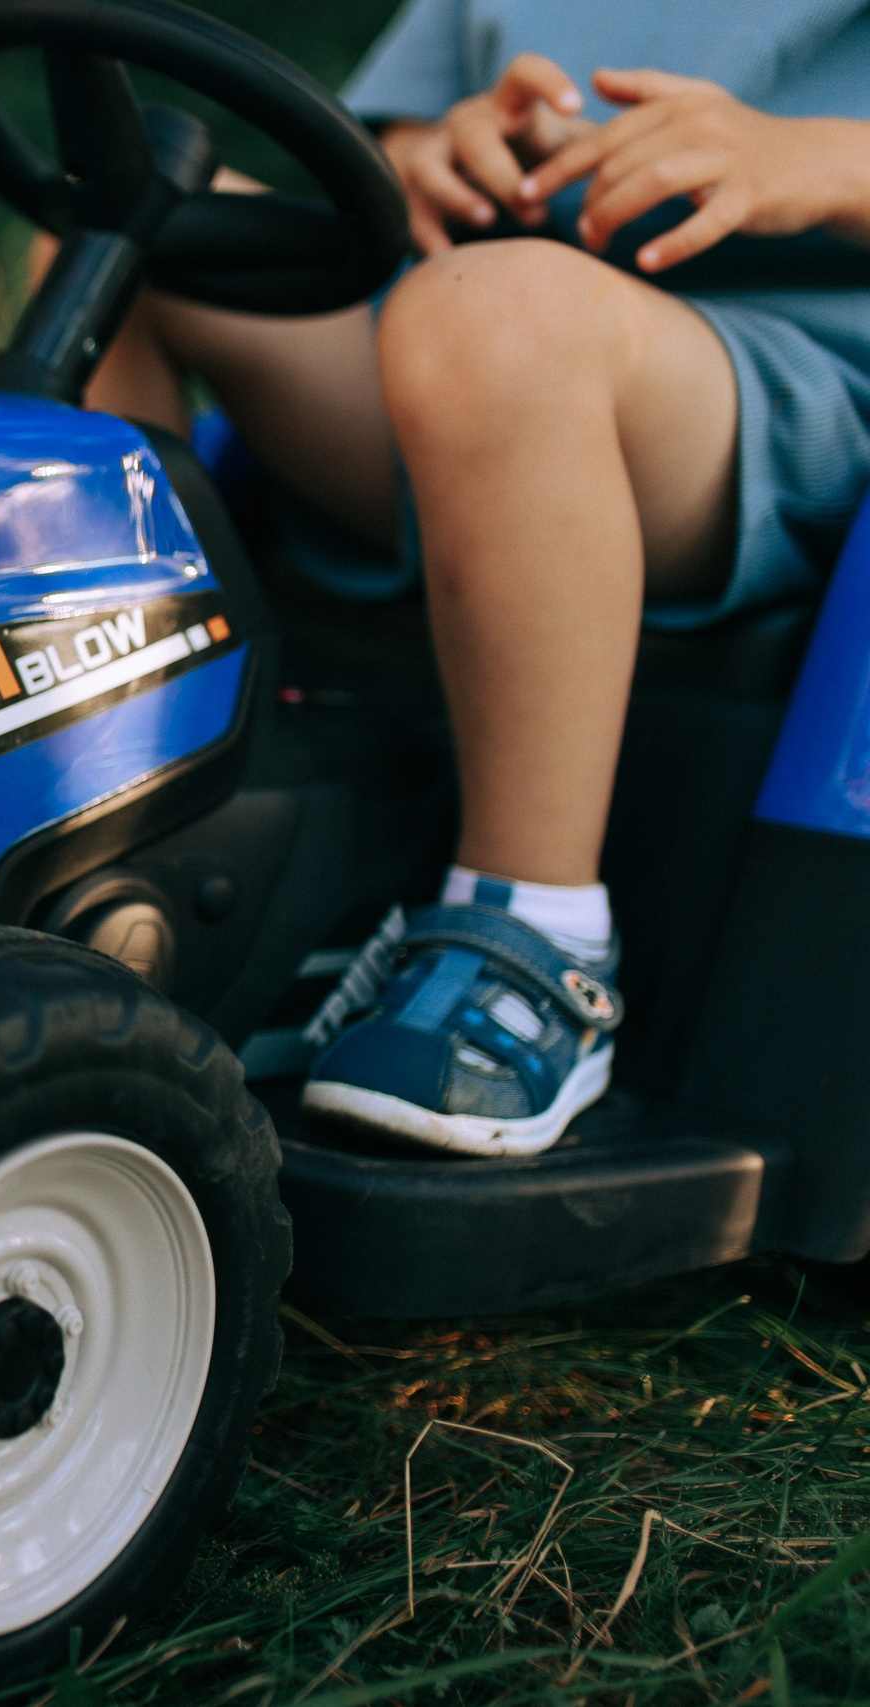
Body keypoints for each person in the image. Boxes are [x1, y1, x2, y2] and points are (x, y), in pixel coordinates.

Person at [81, 1, 870, 1156]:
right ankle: (126, 801)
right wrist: (427, 161)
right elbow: (381, 153)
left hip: (780, 394)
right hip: (454, 343)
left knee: (499, 315)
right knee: (133, 215)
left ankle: (535, 935)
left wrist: (825, 162)